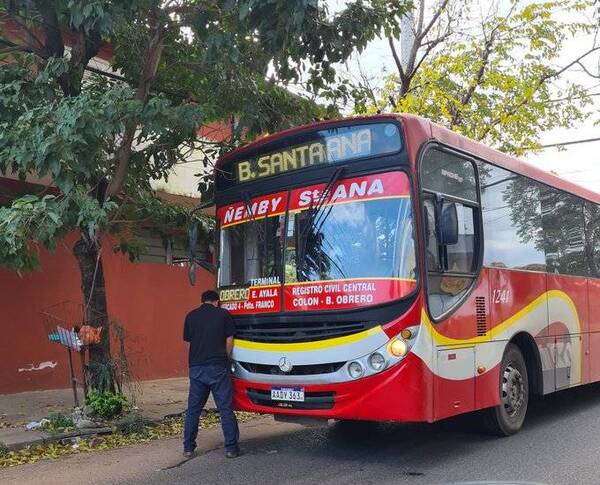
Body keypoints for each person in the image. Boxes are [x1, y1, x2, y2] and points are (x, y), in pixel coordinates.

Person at [183, 290, 240, 459]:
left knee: (193, 410)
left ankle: (188, 448)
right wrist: (226, 358)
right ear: (216, 302)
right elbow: (229, 340)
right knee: (225, 409)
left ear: (202, 301)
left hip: (197, 368)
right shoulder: (223, 315)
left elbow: (189, 343)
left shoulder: (191, 316)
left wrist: (195, 361)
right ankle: (231, 448)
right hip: (217, 367)